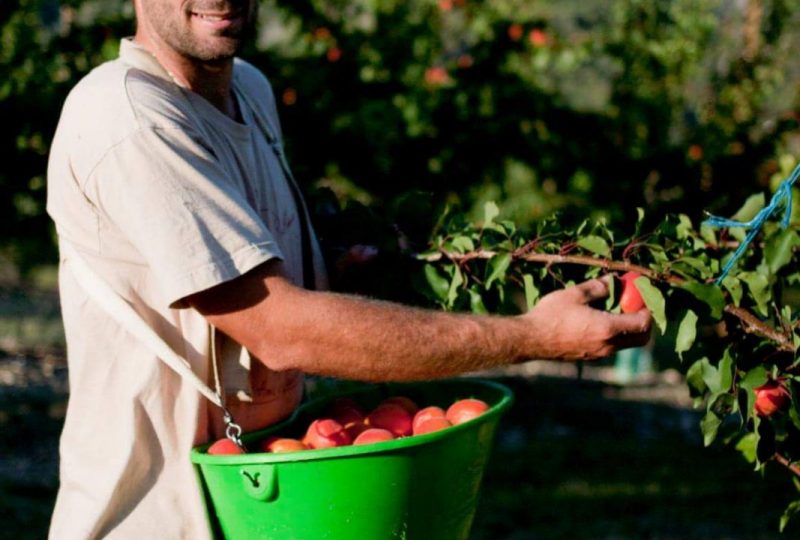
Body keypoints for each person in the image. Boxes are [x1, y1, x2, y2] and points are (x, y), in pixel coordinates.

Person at [45, 1, 652, 538]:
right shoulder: (126, 114)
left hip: (279, 505)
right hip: (157, 520)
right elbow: (280, 328)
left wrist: (354, 270)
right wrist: (532, 337)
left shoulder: (250, 94)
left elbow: (251, 267)